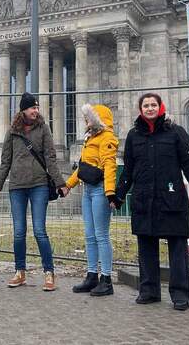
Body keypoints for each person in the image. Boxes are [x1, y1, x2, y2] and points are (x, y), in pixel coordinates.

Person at [115, 93, 189, 311]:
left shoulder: (176, 132)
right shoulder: (134, 136)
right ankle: (149, 290)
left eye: (154, 104)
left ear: (160, 107)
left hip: (171, 197)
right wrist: (118, 195)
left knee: (177, 248)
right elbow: (128, 170)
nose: (150, 108)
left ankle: (181, 294)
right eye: (146, 105)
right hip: (145, 198)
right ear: (140, 109)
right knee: (146, 246)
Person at [0, 92, 66, 292]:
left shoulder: (43, 129)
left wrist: (60, 183)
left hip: (39, 185)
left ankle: (49, 273)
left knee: (39, 231)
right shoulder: (12, 132)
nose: (36, 110)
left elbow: (50, 158)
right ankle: (20, 272)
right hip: (17, 186)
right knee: (18, 232)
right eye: (32, 107)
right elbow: (5, 161)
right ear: (23, 110)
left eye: (37, 107)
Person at [63, 104, 119, 296]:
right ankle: (92, 275)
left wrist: (110, 192)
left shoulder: (107, 138)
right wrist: (67, 185)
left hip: (101, 190)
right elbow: (83, 168)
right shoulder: (90, 139)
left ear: (97, 119)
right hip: (87, 189)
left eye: (88, 118)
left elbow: (110, 165)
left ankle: (106, 279)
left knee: (101, 235)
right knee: (89, 235)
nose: (86, 121)